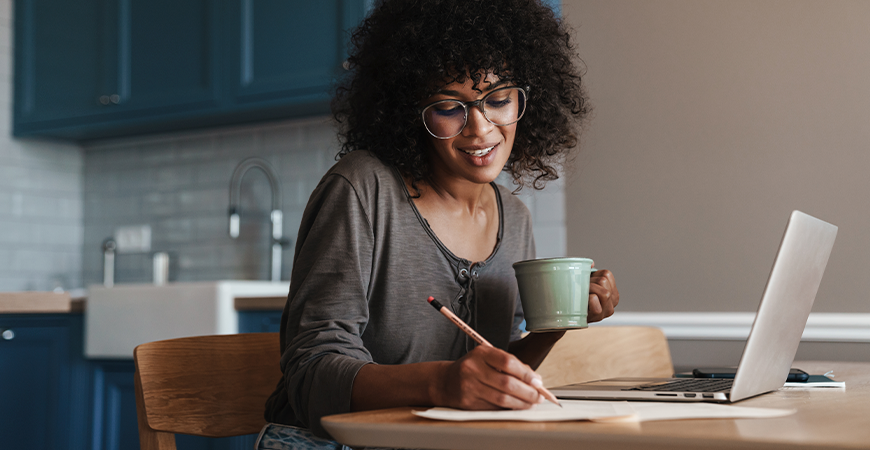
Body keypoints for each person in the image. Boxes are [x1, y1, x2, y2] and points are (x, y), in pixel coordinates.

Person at [258, 1, 619, 448]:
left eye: (499, 100)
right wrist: (441, 384)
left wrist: (558, 321)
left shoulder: (515, 217)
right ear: (411, 114)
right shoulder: (361, 188)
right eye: (450, 107)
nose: (480, 128)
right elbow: (312, 372)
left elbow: (493, 364)